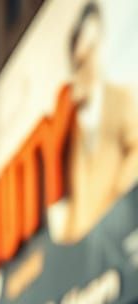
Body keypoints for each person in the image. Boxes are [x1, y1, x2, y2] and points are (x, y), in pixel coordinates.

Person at [58, 1, 138, 244]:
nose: (89, 61)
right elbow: (75, 197)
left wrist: (115, 196)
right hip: (89, 249)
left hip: (123, 227)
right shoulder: (71, 129)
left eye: (93, 48)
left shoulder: (122, 99)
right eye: (82, 57)